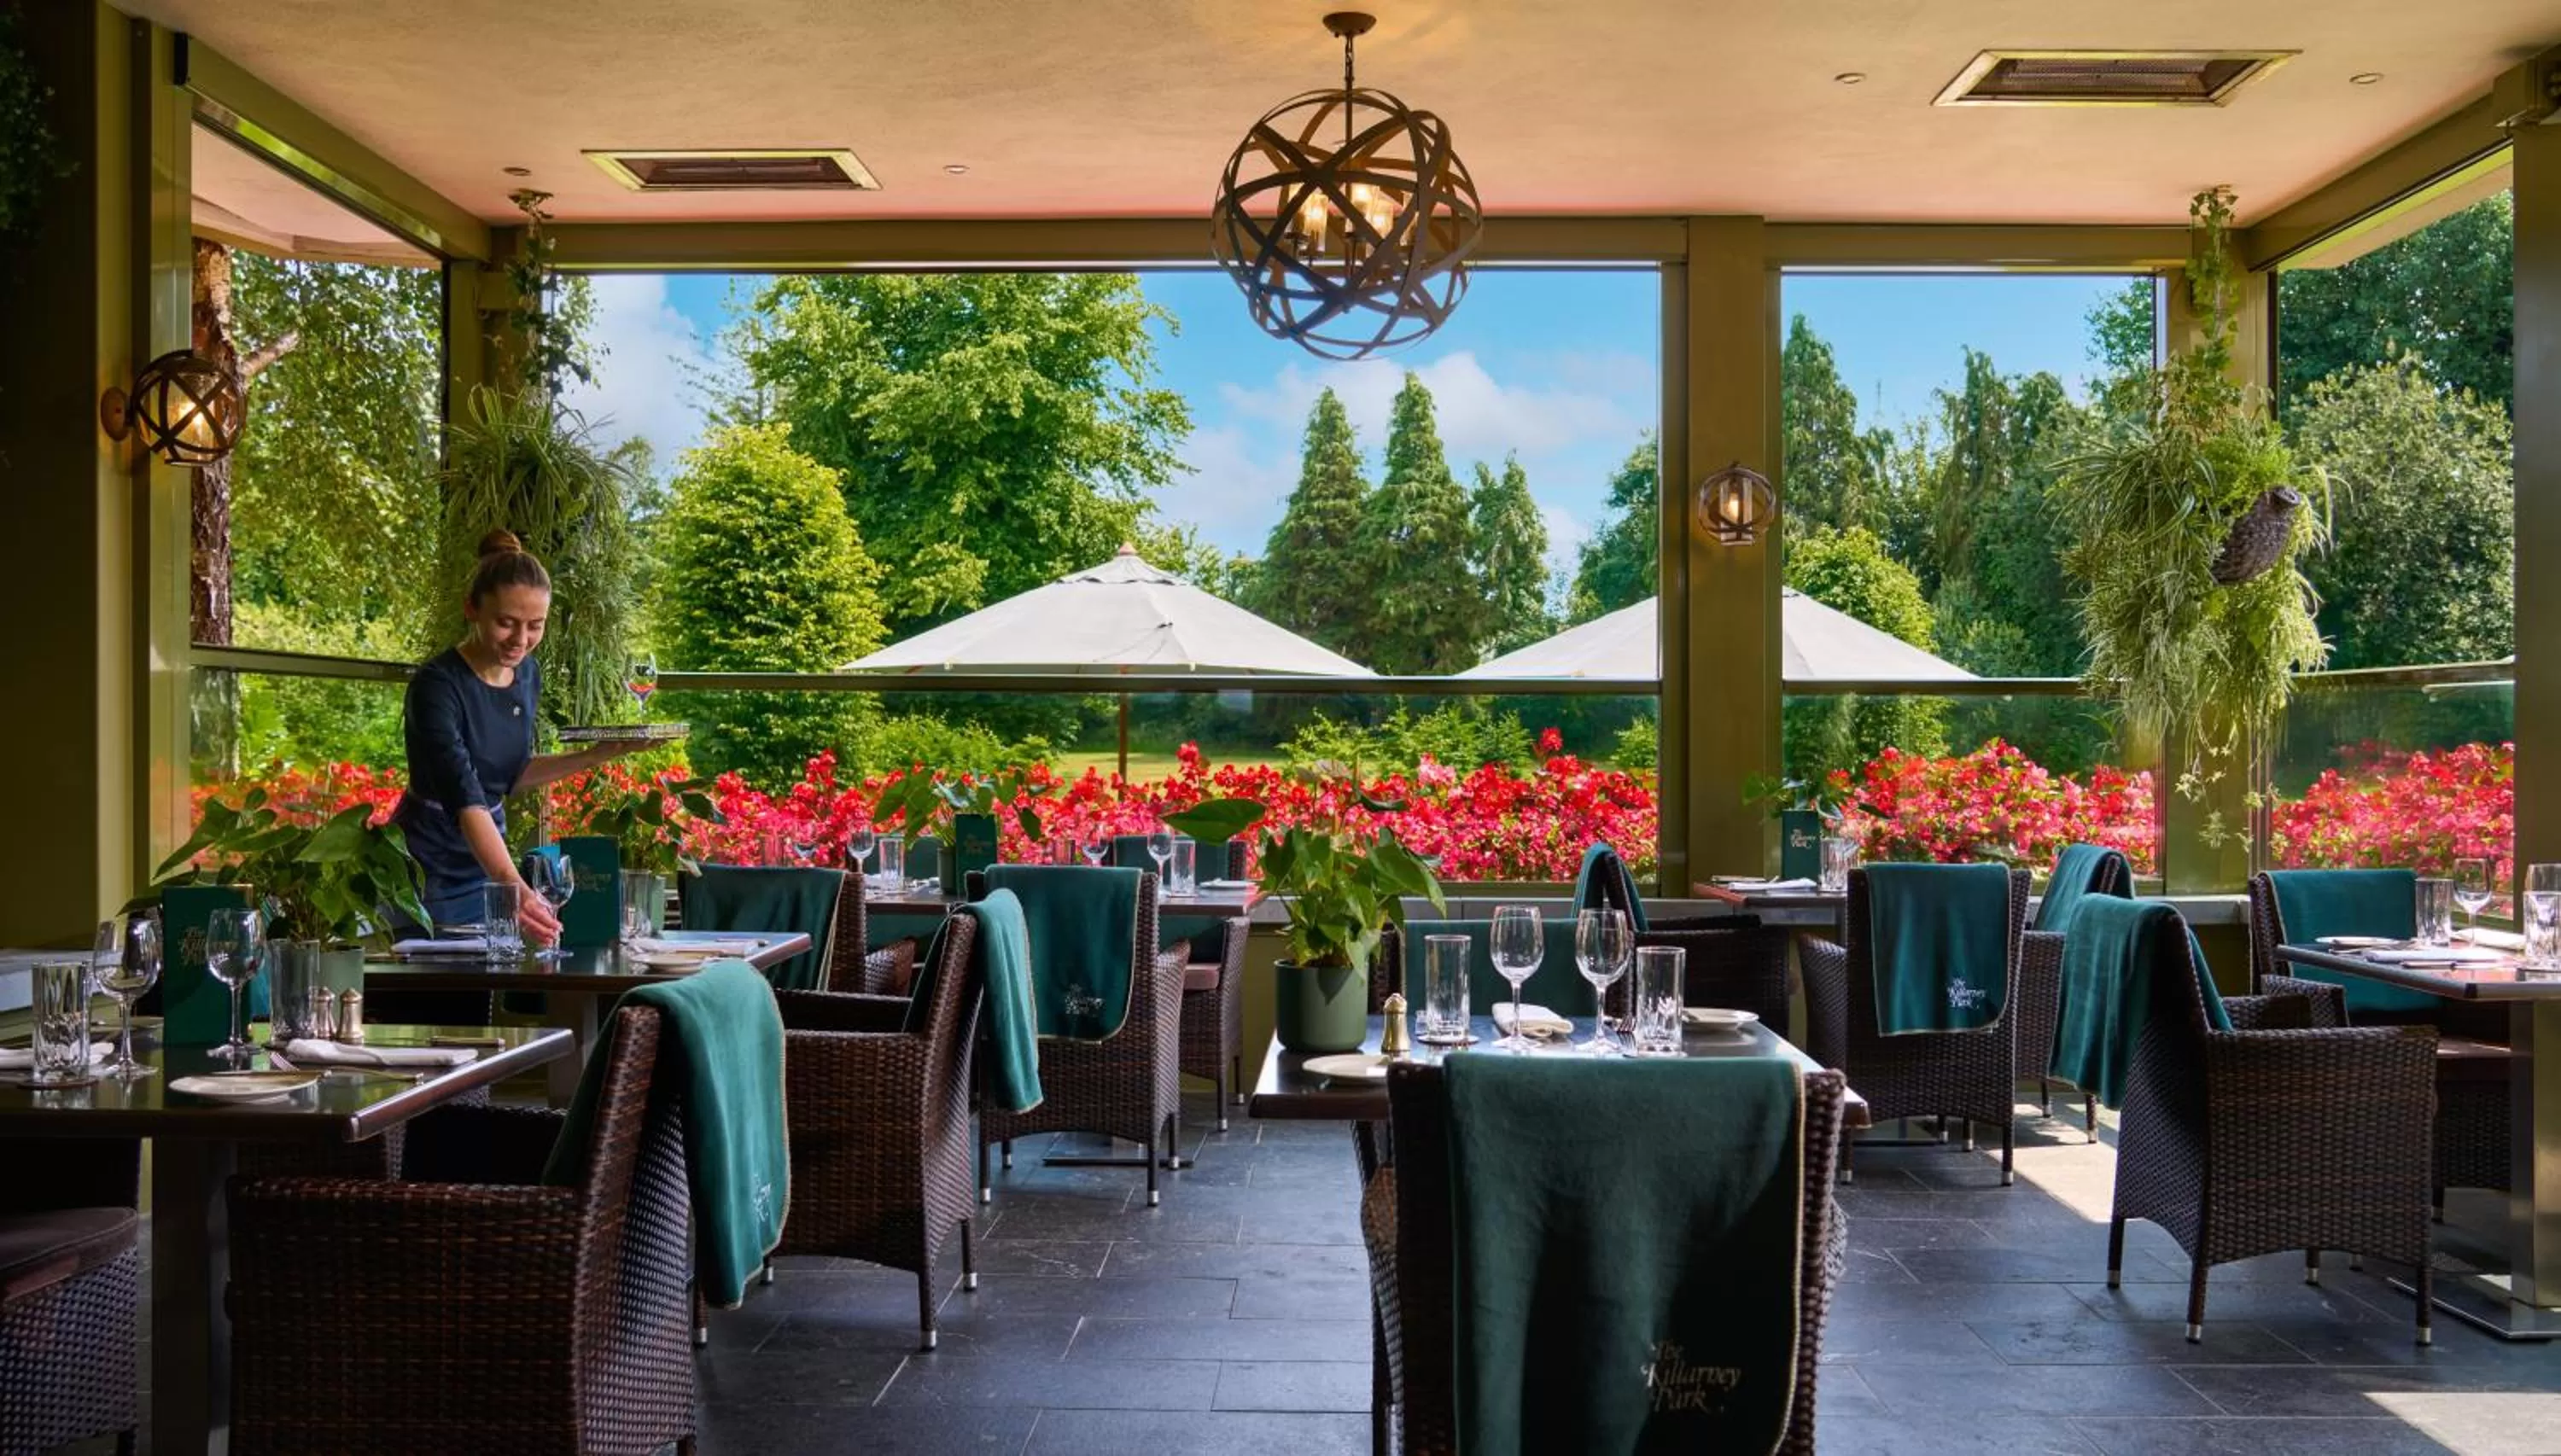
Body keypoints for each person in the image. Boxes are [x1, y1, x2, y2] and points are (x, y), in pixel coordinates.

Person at [393, 530, 644, 943]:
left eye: (535, 626)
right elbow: (464, 793)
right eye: (506, 623)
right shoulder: (436, 686)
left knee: (492, 994)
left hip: (487, 863)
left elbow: (509, 773)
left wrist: (600, 754)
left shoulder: (527, 674)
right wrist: (514, 889)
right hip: (428, 867)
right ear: (472, 608)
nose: (521, 641)